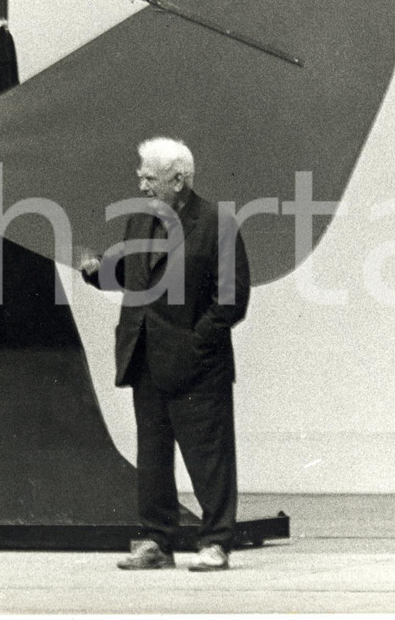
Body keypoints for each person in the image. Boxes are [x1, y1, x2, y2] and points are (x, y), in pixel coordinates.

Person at [78, 137, 250, 571]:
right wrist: (98, 271)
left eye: (149, 176)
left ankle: (215, 542)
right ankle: (157, 541)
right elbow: (132, 272)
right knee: (152, 458)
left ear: (178, 179)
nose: (141, 182)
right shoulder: (140, 220)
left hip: (197, 365)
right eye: (141, 174)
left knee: (209, 456)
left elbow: (231, 300)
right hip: (145, 357)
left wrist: (194, 344)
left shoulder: (218, 224)